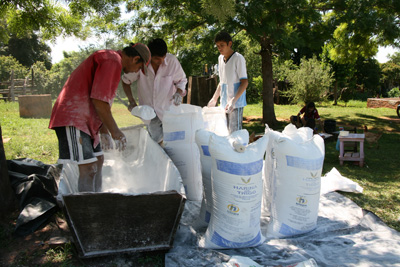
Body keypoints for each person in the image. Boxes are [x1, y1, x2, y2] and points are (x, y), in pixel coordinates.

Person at [49, 43, 151, 192]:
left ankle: (99, 199)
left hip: (87, 120)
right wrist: (115, 132)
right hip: (74, 118)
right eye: (140, 68)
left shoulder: (113, 61)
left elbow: (103, 102)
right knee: (89, 168)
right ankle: (87, 210)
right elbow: (99, 101)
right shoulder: (112, 60)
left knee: (98, 160)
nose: (137, 72)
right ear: (135, 59)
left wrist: (104, 131)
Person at [121, 38, 187, 144]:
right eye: (156, 58)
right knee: (156, 144)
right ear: (149, 55)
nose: (160, 61)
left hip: (168, 110)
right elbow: (126, 81)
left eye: (163, 57)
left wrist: (178, 93)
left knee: (173, 144)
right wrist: (132, 101)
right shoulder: (141, 63)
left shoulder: (172, 61)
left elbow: (181, 80)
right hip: (149, 113)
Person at [207, 31, 249, 134]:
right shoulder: (220, 58)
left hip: (236, 103)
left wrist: (233, 101)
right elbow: (222, 82)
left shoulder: (238, 58)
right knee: (224, 133)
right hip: (224, 103)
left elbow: (245, 82)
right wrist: (214, 98)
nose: (220, 48)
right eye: (217, 46)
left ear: (229, 44)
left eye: (222, 45)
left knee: (235, 134)